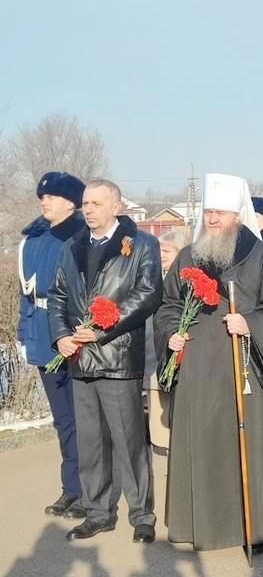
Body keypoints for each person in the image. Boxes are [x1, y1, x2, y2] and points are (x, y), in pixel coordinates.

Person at [155, 173, 263, 552]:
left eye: (219, 212)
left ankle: (257, 525)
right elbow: (168, 306)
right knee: (206, 446)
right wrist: (172, 332)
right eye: (207, 212)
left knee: (249, 446)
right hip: (200, 372)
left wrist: (249, 322)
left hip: (247, 367)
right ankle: (205, 523)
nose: (212, 219)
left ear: (238, 214)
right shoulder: (188, 257)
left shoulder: (260, 255)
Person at [48, 179, 163, 542]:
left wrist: (101, 328)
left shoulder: (142, 245)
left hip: (117, 355)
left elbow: (147, 294)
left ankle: (142, 515)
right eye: (85, 203)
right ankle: (97, 512)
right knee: (91, 441)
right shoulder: (73, 247)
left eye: (97, 203)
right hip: (79, 359)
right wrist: (62, 336)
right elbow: (58, 295)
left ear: (116, 206)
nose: (89, 210)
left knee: (128, 440)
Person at [18, 171, 87, 519]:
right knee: (63, 419)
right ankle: (71, 488)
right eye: (42, 196)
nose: (44, 200)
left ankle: (92, 490)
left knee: (84, 416)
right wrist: (22, 333)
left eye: (53, 196)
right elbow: (26, 294)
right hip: (45, 335)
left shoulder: (81, 237)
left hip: (77, 336)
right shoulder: (33, 240)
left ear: (72, 202)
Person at [147, 228, 189, 452]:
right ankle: (161, 444)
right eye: (159, 250)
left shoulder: (185, 280)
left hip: (177, 347)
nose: (161, 255)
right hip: (155, 347)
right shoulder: (155, 277)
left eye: (167, 250)